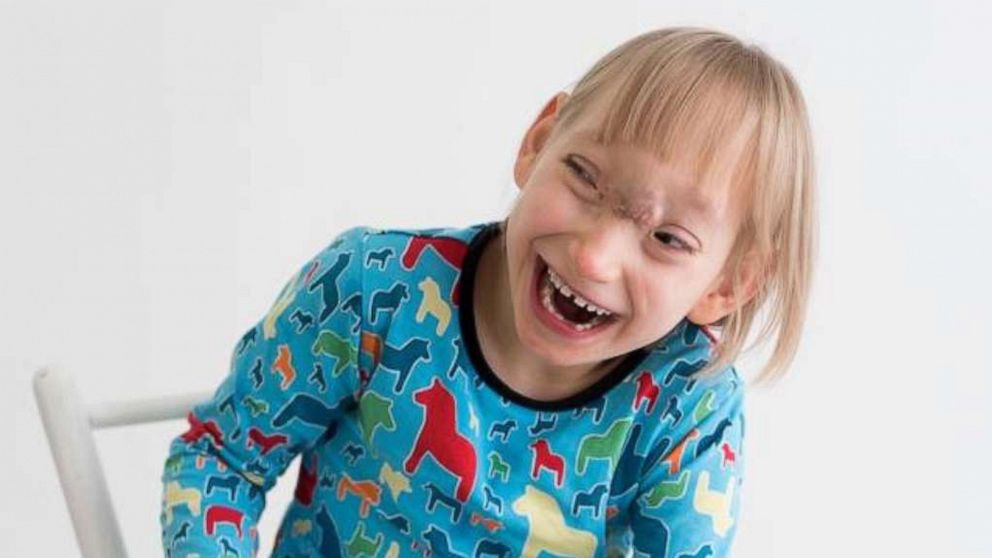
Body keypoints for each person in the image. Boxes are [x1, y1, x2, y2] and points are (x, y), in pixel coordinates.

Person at [160, 26, 815, 557]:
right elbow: (223, 458)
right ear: (539, 141)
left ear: (727, 286)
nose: (594, 255)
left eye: (668, 239)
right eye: (585, 177)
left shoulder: (688, 406)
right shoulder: (372, 289)